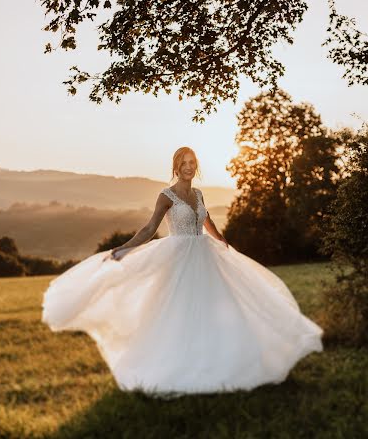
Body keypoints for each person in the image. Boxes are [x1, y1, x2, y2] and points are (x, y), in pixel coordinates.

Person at [42, 146, 323, 398]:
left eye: (193, 162)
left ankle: (219, 359)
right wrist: (125, 248)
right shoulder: (166, 195)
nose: (189, 166)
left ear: (196, 166)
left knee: (216, 308)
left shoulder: (198, 193)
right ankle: (178, 364)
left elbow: (207, 221)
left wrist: (223, 242)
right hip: (178, 257)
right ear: (176, 167)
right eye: (184, 162)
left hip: (205, 255)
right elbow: (150, 228)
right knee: (178, 310)